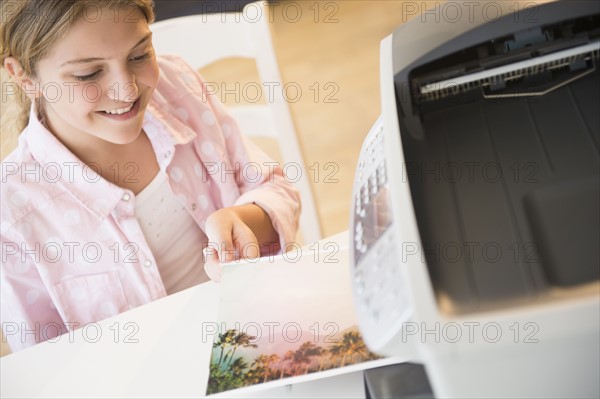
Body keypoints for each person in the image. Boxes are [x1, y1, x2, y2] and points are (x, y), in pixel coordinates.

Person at [0, 0, 300, 352]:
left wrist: (241, 218)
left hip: (250, 338)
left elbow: (273, 187)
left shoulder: (179, 87)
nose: (126, 91)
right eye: (88, 75)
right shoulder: (14, 211)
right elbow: (42, 362)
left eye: (140, 55)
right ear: (23, 76)